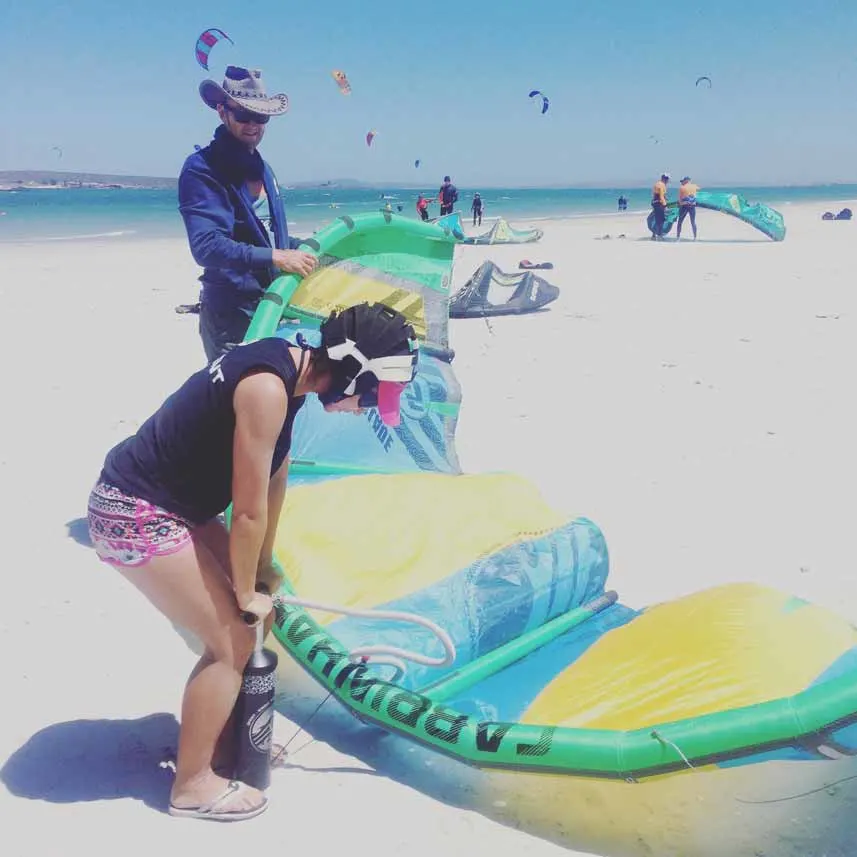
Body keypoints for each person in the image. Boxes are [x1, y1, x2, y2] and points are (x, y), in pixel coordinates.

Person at [87, 302, 419, 822]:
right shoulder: (267, 389)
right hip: (132, 510)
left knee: (254, 620)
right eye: (374, 393)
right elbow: (244, 511)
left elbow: (274, 481)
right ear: (354, 367)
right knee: (233, 641)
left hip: (174, 506)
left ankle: (229, 746)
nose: (370, 407)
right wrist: (243, 591)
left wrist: (263, 568)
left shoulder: (290, 379)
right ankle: (192, 785)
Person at [179, 66, 318, 363]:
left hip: (273, 309)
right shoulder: (202, 169)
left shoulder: (264, 168)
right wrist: (278, 257)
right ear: (222, 111)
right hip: (231, 319)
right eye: (243, 115)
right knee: (234, 408)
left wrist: (304, 245)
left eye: (261, 117)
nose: (253, 124)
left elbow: (266, 237)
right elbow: (207, 247)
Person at [676, 176, 700, 240]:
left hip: (684, 206)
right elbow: (698, 190)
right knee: (693, 222)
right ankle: (695, 237)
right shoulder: (694, 186)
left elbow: (680, 199)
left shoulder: (682, 188)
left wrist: (679, 204)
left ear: (685, 181)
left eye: (682, 181)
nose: (681, 183)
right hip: (692, 206)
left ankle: (678, 237)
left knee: (680, 222)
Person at [650, 173, 670, 240]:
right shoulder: (662, 185)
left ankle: (653, 235)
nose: (668, 181)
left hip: (655, 203)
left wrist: (665, 197)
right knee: (661, 220)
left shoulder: (656, 184)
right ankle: (660, 235)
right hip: (659, 204)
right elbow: (661, 196)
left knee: (657, 219)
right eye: (667, 179)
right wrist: (665, 206)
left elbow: (655, 194)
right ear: (665, 179)